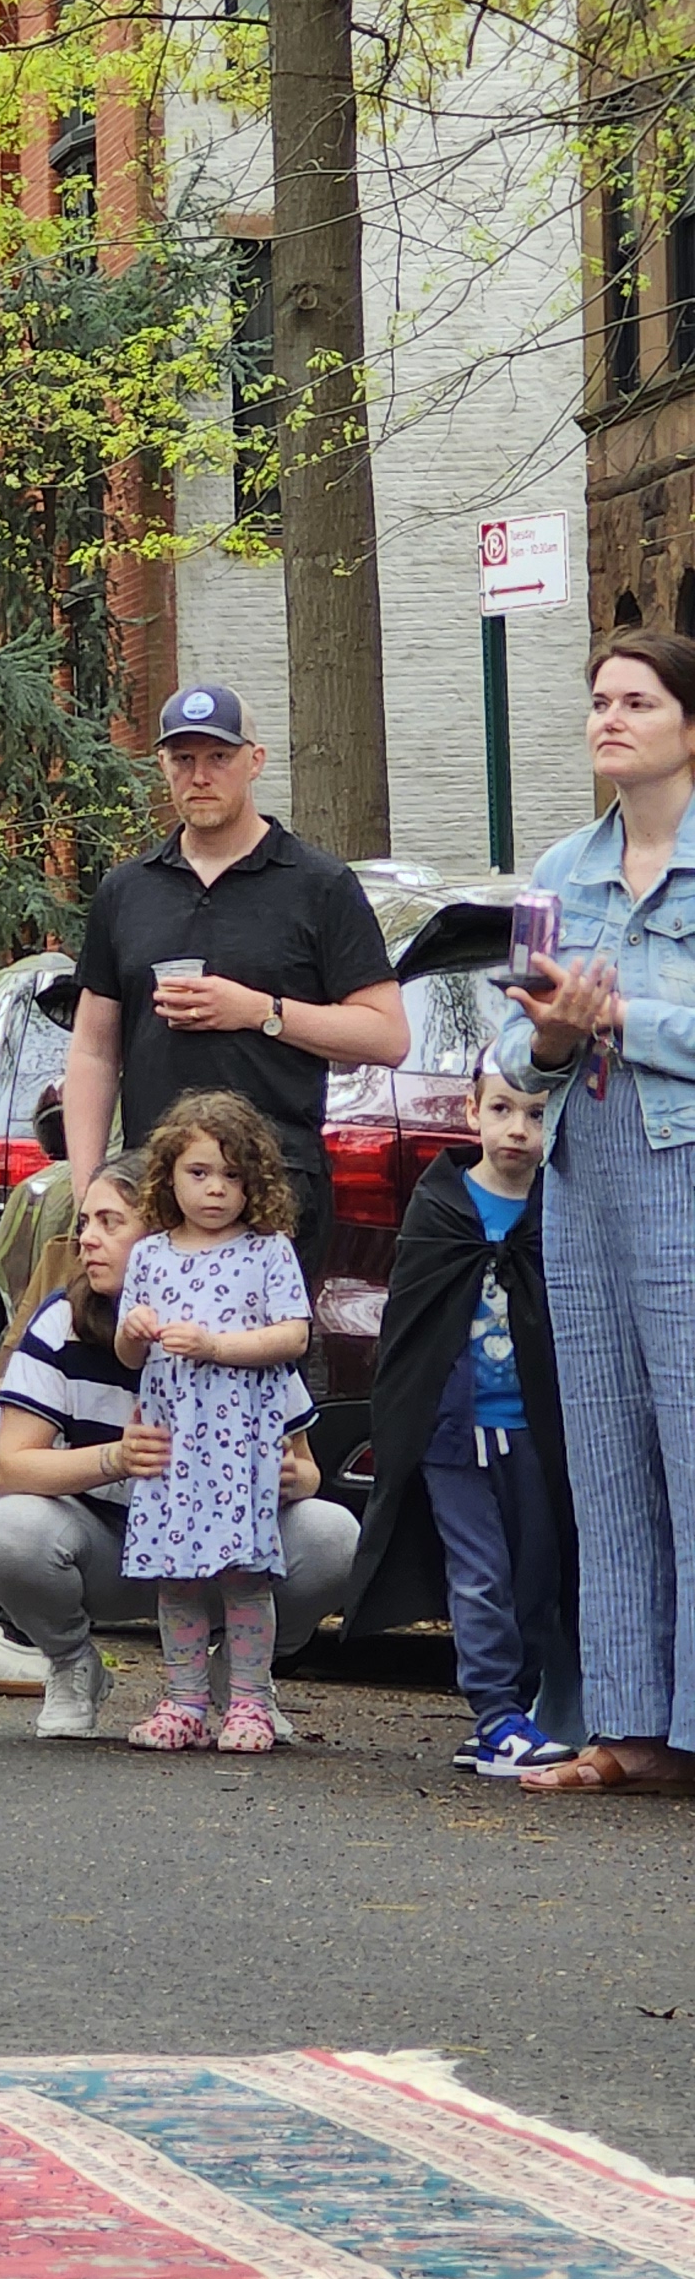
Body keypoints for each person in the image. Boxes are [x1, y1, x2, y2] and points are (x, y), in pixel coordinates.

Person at [496, 632, 695, 1796]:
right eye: (597, 701)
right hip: (581, 1179)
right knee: (610, 1454)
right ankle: (628, 1730)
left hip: (684, 1171)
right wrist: (556, 1034)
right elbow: (517, 1059)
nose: (609, 717)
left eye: (637, 700)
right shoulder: (554, 873)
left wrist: (623, 1021)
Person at [0, 1162, 350, 1741]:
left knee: (332, 1535)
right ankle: (73, 1665)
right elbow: (12, 1464)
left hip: (226, 1547)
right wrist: (114, 1459)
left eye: (109, 1223)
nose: (86, 1239)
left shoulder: (235, 1323)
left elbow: (308, 1469)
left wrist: (289, 1478)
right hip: (108, 1547)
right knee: (9, 1531)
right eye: (85, 1221)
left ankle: (243, 1678)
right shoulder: (64, 1320)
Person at [59, 686, 409, 1240]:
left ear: (255, 761)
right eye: (184, 759)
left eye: (219, 758)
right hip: (154, 1192)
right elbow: (94, 1051)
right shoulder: (126, 892)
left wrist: (257, 1011)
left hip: (275, 1192)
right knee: (154, 1333)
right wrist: (90, 1195)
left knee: (267, 1334)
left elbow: (387, 1035)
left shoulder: (319, 886)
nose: (200, 776)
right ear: (163, 767)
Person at [359, 1066, 579, 1775]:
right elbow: (409, 1328)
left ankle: (510, 1714)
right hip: (452, 1430)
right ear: (471, 1111)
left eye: (537, 1114)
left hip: (537, 1433)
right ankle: (494, 1712)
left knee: (536, 1578)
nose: (517, 1128)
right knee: (478, 1573)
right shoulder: (441, 1207)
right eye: (503, 1109)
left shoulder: (562, 1211)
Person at [110, 1093, 315, 1754]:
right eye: (200, 1173)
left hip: (239, 1439)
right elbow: (126, 1350)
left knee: (243, 1573)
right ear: (169, 1174)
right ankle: (184, 1699)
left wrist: (218, 1346)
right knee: (179, 1575)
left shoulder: (268, 1252)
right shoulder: (150, 1256)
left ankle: (250, 1700)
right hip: (174, 1442)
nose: (217, 1189)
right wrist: (135, 1331)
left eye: (233, 1176)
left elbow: (294, 1335)